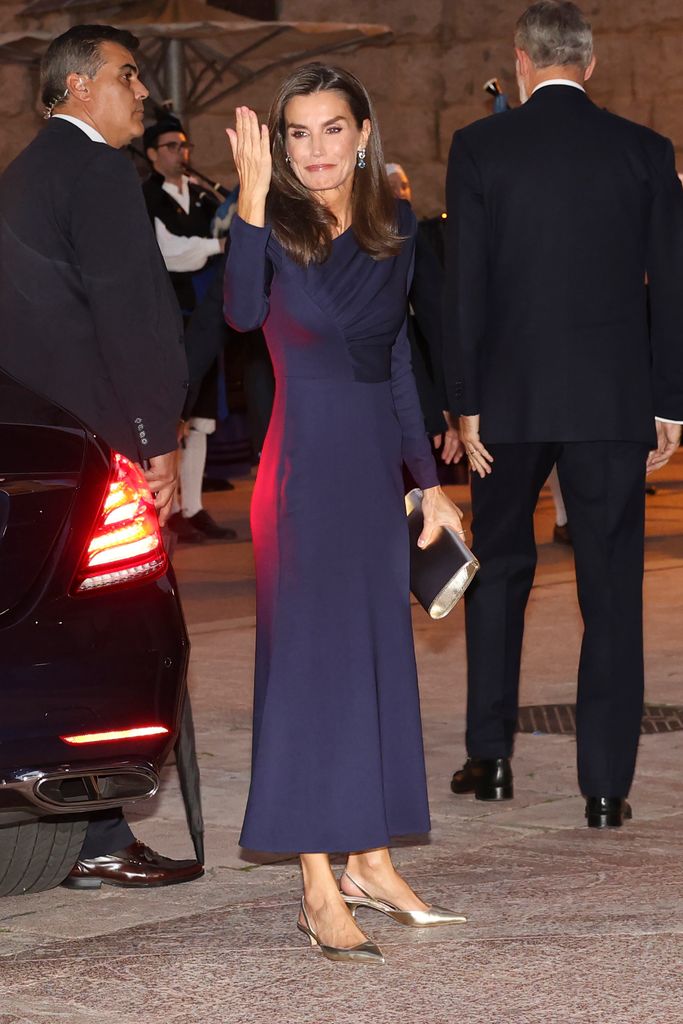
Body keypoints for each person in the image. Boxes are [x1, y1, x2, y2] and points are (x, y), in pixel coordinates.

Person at [224, 64, 467, 966]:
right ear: (280, 147)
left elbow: (398, 354)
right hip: (300, 472)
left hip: (371, 471)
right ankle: (317, 887)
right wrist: (249, 202)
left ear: (363, 134)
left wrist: (426, 482)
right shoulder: (271, 222)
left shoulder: (394, 223)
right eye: (298, 133)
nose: (316, 149)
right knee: (309, 675)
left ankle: (371, 860)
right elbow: (241, 312)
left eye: (332, 129)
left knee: (372, 664)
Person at [444, 0, 683, 827]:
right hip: (612, 399)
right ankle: (607, 787)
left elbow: (462, 286)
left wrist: (464, 405)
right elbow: (672, 285)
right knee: (611, 587)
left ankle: (491, 755)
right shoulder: (644, 151)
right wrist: (669, 404)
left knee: (499, 570)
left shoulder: (478, 147)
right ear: (588, 64)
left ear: (518, 61)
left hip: (506, 402)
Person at [0, 24, 203, 886]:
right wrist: (156, 440)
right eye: (127, 76)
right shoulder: (96, 172)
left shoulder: (22, 175)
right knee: (118, 621)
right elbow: (135, 312)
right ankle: (100, 840)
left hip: (34, 436)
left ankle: (90, 832)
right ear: (78, 85)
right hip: (98, 441)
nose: (142, 94)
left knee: (58, 626)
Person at [143, 114, 236, 544]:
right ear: (151, 154)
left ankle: (194, 507)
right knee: (175, 418)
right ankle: (171, 507)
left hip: (205, 318)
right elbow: (170, 252)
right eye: (170, 147)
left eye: (184, 146)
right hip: (170, 319)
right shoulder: (146, 198)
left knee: (200, 420)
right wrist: (217, 245)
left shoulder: (200, 197)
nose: (180, 154)